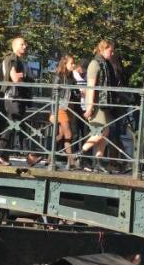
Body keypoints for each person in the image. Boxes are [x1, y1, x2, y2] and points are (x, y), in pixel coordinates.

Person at [0, 36, 40, 166]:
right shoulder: (10, 59)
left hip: (20, 97)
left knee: (17, 127)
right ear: (15, 46)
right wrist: (25, 75)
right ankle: (0, 154)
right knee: (13, 127)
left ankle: (4, 156)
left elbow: (31, 78)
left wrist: (24, 76)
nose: (25, 46)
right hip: (13, 97)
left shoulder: (21, 61)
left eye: (25, 44)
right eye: (22, 44)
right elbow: (15, 78)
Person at [82, 40, 121, 172]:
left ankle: (98, 161)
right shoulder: (95, 64)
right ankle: (80, 153)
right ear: (103, 50)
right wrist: (89, 106)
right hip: (97, 103)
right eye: (110, 50)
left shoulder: (106, 63)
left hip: (104, 103)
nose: (112, 53)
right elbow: (91, 86)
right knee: (101, 131)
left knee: (106, 131)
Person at [50, 54, 80, 167]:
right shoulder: (58, 76)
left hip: (69, 107)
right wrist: (53, 112)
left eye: (74, 63)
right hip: (61, 107)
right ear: (64, 64)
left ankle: (49, 157)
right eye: (71, 63)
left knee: (61, 135)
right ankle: (71, 160)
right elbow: (53, 95)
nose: (73, 65)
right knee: (68, 133)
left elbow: (74, 93)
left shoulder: (71, 77)